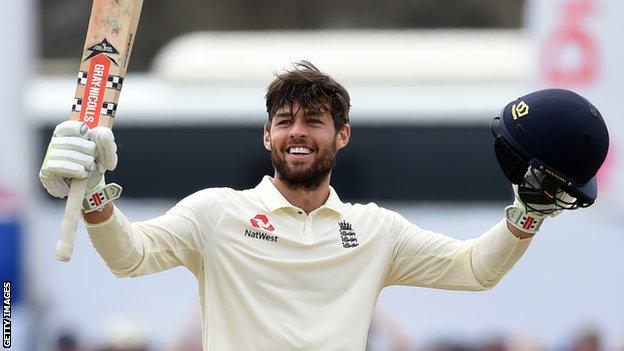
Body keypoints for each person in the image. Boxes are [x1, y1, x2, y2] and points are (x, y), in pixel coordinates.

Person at [39, 61, 609, 350]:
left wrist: (527, 215)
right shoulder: (216, 214)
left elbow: (473, 270)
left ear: (342, 136)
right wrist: (92, 196)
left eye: (314, 121)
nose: (298, 133)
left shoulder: (375, 231)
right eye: (285, 121)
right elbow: (129, 258)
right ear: (267, 136)